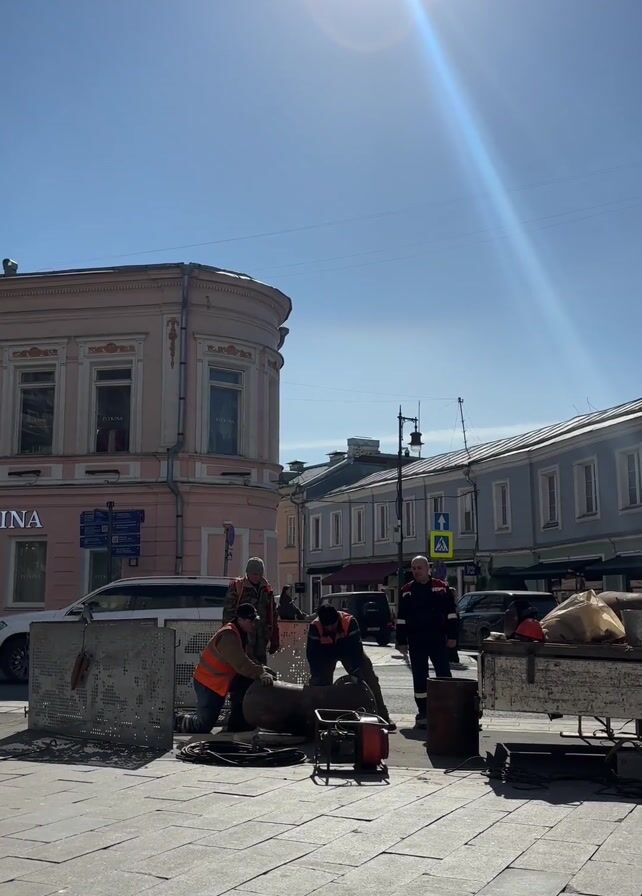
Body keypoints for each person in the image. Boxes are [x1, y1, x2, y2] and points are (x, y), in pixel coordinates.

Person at [174, 603, 274, 734]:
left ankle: (238, 723)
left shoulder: (239, 633)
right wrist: (260, 672)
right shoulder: (229, 635)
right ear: (240, 619)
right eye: (251, 621)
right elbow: (241, 664)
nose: (254, 624)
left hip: (219, 681)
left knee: (246, 682)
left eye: (255, 620)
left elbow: (246, 658)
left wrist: (263, 670)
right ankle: (175, 720)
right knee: (202, 726)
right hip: (208, 683)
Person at [306, 603, 395, 730]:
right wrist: (317, 674)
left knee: (369, 678)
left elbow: (356, 650)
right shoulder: (315, 626)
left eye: (333, 625)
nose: (330, 628)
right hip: (325, 654)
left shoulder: (349, 622)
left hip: (348, 650)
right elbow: (312, 654)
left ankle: (382, 715)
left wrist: (356, 670)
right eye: (327, 626)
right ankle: (318, 719)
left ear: (337, 618)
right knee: (319, 684)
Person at [395, 555, 459, 728]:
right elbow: (401, 618)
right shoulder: (407, 590)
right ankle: (423, 711)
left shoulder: (441, 587)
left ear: (428, 569)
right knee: (419, 677)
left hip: (438, 639)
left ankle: (447, 709)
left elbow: (451, 614)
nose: (416, 571)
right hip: (416, 640)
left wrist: (453, 636)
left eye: (419, 568)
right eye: (413, 568)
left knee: (443, 674)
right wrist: (401, 641)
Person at [223, 557, 279, 663]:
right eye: (254, 574)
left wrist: (274, 637)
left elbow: (273, 614)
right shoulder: (238, 587)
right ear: (247, 573)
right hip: (243, 637)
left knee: (260, 666)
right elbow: (228, 614)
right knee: (244, 665)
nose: (257, 577)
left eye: (260, 574)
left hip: (261, 638)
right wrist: (229, 637)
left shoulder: (266, 589)